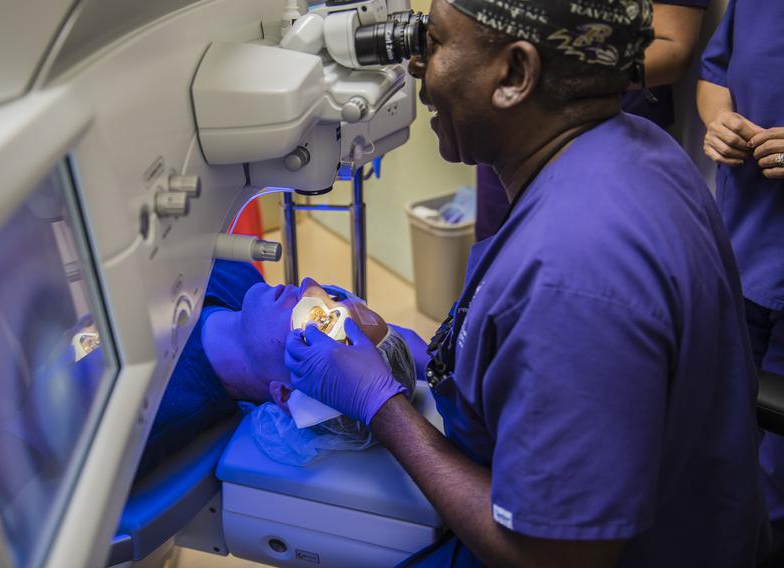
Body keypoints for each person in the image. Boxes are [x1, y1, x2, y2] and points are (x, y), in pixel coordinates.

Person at [284, 1, 768, 566]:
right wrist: (424, 360)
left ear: (515, 74)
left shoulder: (572, 273)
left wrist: (383, 407)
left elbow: (547, 556)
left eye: (436, 42)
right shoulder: (630, 146)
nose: (417, 65)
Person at [135, 260, 416, 475]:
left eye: (321, 322)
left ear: (284, 394)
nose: (310, 287)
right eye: (337, 297)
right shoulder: (240, 275)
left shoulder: (148, 413)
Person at [475, 0, 709, 240]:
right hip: (509, 122)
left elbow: (673, 48)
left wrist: (556, 74)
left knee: (583, 250)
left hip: (602, 132)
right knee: (498, 249)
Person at [697, 0, 784, 560]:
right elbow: (716, 73)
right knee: (721, 436)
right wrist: (717, 120)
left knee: (775, 480)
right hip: (746, 246)